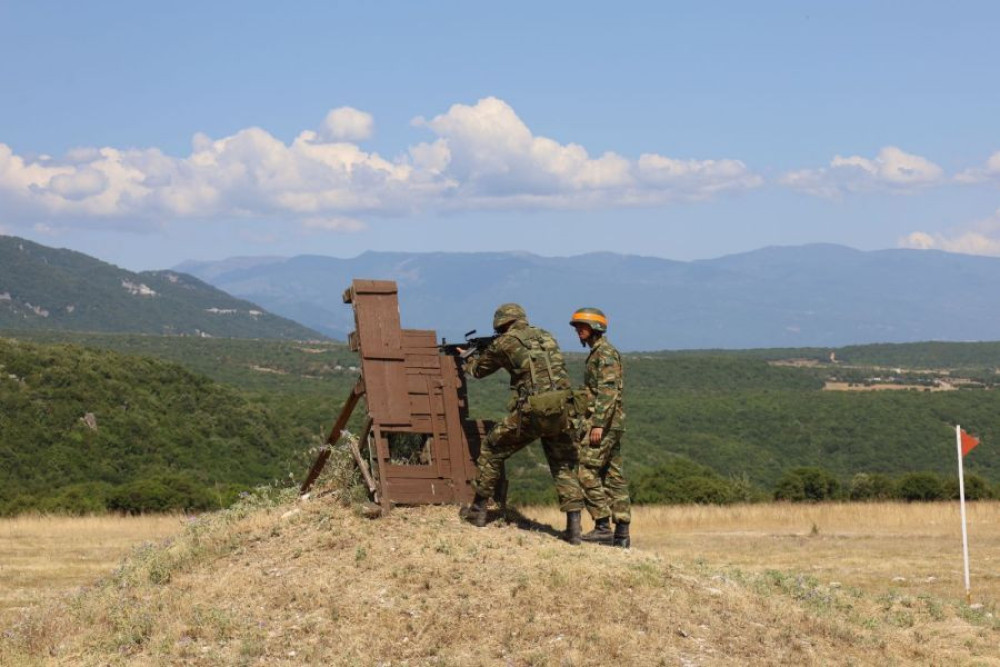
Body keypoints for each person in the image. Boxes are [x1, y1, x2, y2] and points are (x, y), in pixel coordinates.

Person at [461, 303, 586, 544]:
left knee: (492, 447)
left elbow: (477, 371)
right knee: (563, 465)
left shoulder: (503, 342)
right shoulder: (546, 335)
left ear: (502, 324)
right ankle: (574, 528)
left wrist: (465, 357)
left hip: (533, 411)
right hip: (562, 408)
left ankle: (478, 510)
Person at [569, 307, 631, 548]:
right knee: (614, 476)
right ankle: (622, 533)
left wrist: (597, 425)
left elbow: (608, 392)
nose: (578, 332)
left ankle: (603, 526)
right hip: (612, 424)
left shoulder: (604, 354)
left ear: (596, 328)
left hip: (604, 424)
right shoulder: (599, 352)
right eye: (576, 328)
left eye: (582, 327)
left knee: (584, 470)